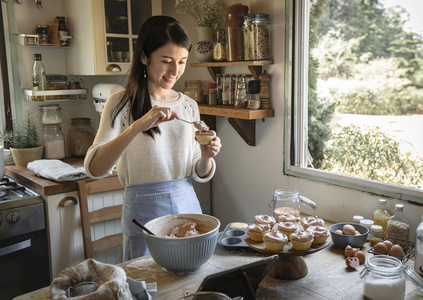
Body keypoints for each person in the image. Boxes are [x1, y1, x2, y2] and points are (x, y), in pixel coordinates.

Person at [84, 15, 222, 261]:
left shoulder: (189, 106)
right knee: (148, 286)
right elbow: (95, 168)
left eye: (182, 61)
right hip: (143, 211)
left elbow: (198, 172)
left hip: (187, 206)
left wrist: (206, 156)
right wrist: (137, 126)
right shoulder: (120, 103)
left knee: (189, 285)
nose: (175, 71)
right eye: (167, 61)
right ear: (144, 57)